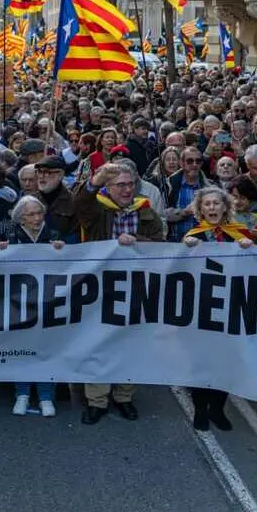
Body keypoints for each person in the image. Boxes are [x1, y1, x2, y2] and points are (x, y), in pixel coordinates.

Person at [74, 162, 164, 424]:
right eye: (120, 185)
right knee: (98, 344)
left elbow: (161, 245)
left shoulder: (146, 212)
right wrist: (95, 180)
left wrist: (139, 242)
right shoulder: (97, 210)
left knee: (130, 344)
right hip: (100, 287)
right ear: (108, 187)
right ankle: (97, 401)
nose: (126, 190)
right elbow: (79, 204)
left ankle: (124, 397)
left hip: (136, 287)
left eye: (130, 184)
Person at [182, 187, 257, 431]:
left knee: (226, 360)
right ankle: (200, 409)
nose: (212, 207)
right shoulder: (192, 236)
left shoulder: (238, 235)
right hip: (201, 308)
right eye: (207, 204)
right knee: (202, 361)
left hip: (231, 306)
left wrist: (249, 247)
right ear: (200, 209)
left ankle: (217, 408)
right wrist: (186, 248)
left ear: (225, 207)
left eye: (216, 203)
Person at [0, 196, 65, 417]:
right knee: (21, 347)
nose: (36, 218)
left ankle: (46, 395)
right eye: (31, 214)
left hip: (48, 301)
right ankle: (22, 394)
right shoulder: (11, 238)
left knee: (46, 348)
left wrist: (63, 250)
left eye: (39, 213)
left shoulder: (54, 236)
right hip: (20, 302)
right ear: (21, 219)